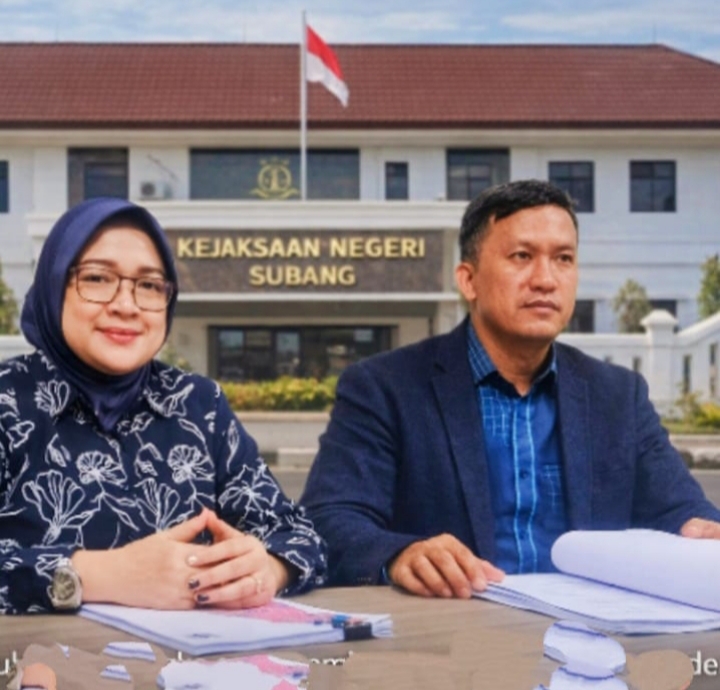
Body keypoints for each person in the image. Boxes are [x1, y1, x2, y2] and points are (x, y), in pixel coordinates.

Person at [301, 179, 720, 599]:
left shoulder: (618, 396)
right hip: (457, 625)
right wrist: (400, 554)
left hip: (594, 626)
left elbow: (681, 509)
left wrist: (701, 531)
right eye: (522, 256)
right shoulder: (385, 388)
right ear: (469, 280)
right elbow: (329, 519)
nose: (545, 279)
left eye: (563, 259)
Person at [0, 197, 326, 614]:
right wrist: (100, 575)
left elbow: (298, 535)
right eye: (97, 278)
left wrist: (267, 569)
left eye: (150, 285)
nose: (126, 305)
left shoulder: (198, 404)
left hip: (194, 654)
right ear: (53, 286)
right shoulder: (9, 401)